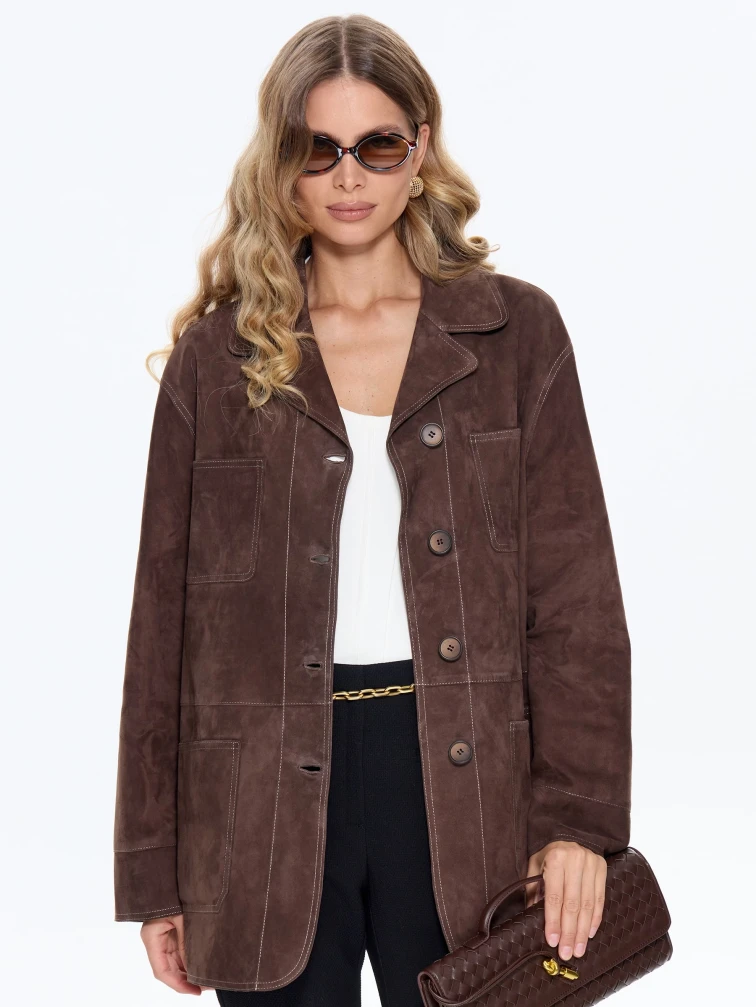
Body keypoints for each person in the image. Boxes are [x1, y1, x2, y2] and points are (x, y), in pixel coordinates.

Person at [112, 13, 632, 1007]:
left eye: (377, 145)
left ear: (420, 149)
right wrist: (153, 871)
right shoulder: (218, 360)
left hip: (465, 790)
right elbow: (163, 626)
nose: (348, 177)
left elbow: (577, 604)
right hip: (259, 804)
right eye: (319, 149)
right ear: (283, 163)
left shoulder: (516, 334)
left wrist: (579, 823)